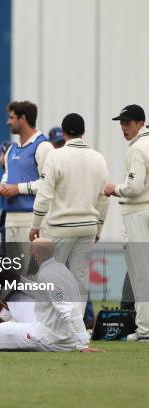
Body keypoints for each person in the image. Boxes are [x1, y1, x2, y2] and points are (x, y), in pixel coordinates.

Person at [29, 113, 109, 318]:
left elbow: (44, 195)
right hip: (88, 227)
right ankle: (77, 328)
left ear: (63, 133)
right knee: (79, 279)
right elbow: (103, 198)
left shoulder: (55, 156)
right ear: (84, 132)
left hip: (61, 227)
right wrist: (99, 227)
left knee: (50, 276)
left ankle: (52, 324)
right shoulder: (98, 158)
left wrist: (35, 225)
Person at [0, 239, 94, 352]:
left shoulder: (49, 276)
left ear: (38, 255)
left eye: (31, 249)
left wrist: (83, 344)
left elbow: (67, 309)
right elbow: (43, 293)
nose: (29, 251)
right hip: (61, 336)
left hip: (49, 339)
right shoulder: (58, 269)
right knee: (11, 322)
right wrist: (17, 279)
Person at [104, 104, 149, 342]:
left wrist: (114, 189)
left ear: (141, 123)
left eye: (128, 123)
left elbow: (133, 188)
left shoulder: (138, 148)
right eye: (121, 123)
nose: (124, 128)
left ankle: (144, 330)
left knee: (142, 274)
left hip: (138, 214)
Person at [0, 101, 54, 249]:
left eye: (12, 117)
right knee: (14, 272)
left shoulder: (44, 146)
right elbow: (7, 176)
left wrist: (17, 189)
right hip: (10, 219)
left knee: (34, 272)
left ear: (23, 118)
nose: (8, 122)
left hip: (32, 220)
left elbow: (48, 184)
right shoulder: (11, 149)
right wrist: (1, 187)